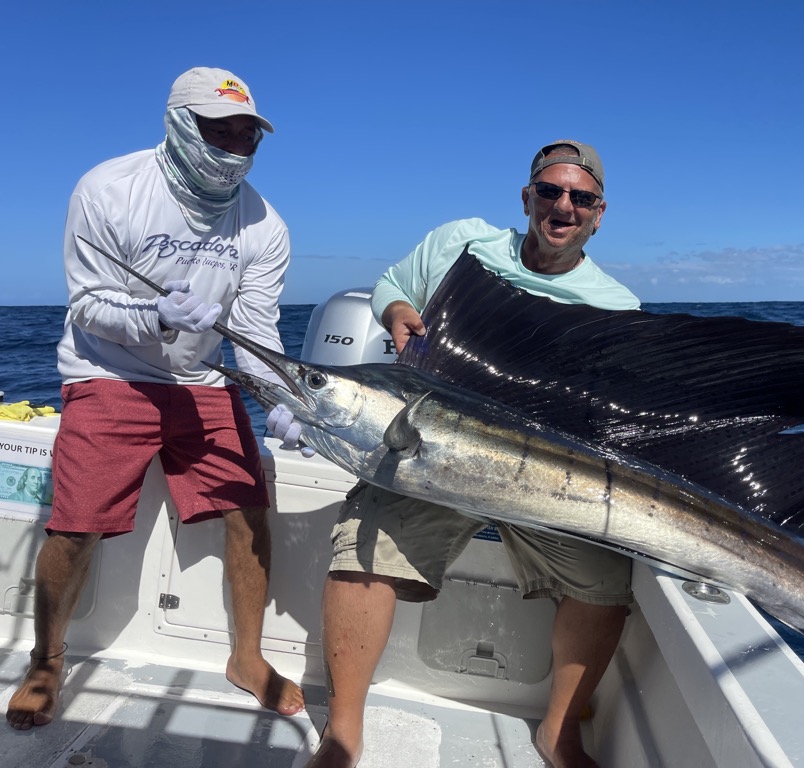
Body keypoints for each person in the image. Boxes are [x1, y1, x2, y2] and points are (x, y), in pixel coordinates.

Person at [298, 140, 640, 768]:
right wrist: (398, 308)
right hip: (433, 458)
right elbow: (393, 284)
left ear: (599, 213)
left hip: (540, 478)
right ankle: (341, 735)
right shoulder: (464, 243)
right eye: (550, 192)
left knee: (605, 579)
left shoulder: (616, 307)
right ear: (527, 197)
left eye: (581, 198)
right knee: (364, 543)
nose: (563, 207)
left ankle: (558, 733)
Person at [5, 67, 304, 731]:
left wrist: (282, 398)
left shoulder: (265, 224)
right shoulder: (108, 188)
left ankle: (247, 656)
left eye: (247, 135)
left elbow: (255, 329)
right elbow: (88, 303)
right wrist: (157, 317)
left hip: (201, 381)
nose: (236, 146)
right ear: (178, 123)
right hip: (108, 371)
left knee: (250, 509)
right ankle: (47, 659)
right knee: (76, 523)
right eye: (220, 131)